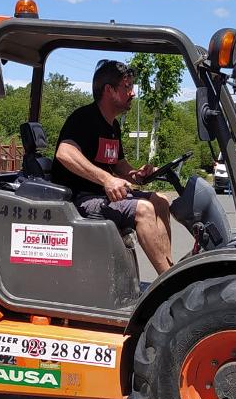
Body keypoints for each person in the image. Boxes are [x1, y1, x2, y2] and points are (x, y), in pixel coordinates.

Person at [51, 59, 173, 274]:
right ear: (109, 90)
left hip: (101, 196)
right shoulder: (84, 118)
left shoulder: (112, 125)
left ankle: (170, 271)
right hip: (79, 199)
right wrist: (106, 179)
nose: (133, 93)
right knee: (143, 209)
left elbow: (118, 164)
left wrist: (137, 174)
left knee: (161, 201)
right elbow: (64, 153)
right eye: (127, 87)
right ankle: (170, 285)